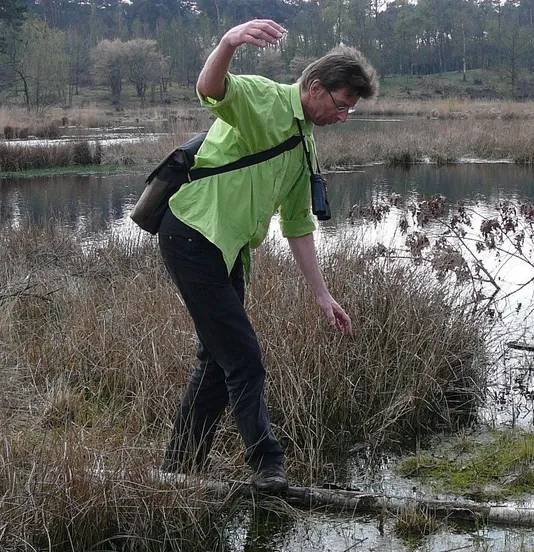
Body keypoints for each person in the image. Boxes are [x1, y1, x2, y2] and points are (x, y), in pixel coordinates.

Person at [157, 19, 378, 493]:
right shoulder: (263, 98)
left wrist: (323, 296)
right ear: (315, 88)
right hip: (192, 235)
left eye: (350, 111)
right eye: (341, 105)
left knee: (217, 361)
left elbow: (298, 225)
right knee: (244, 359)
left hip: (229, 251)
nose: (343, 117)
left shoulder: (305, 146)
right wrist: (228, 42)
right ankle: (268, 465)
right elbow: (209, 89)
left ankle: (178, 468)